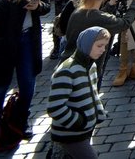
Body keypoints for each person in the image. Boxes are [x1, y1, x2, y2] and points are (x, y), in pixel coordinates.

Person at [0, 0, 51, 143]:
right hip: (4, 45)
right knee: (0, 87)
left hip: (27, 41)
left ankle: (21, 122)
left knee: (27, 84)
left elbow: (46, 7)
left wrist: (37, 7)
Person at [47, 27, 110, 159]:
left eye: (104, 46)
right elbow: (55, 107)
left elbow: (93, 94)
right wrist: (79, 121)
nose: (103, 50)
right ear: (87, 45)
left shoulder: (91, 66)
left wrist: (98, 113)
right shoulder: (67, 71)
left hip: (85, 129)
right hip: (71, 134)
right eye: (99, 46)